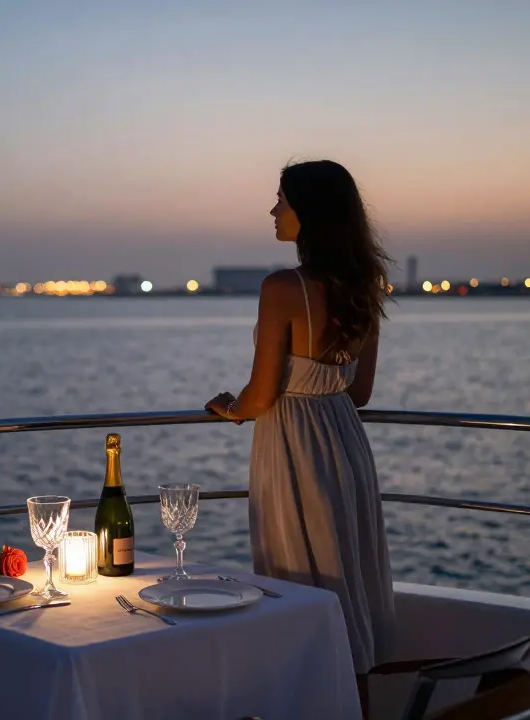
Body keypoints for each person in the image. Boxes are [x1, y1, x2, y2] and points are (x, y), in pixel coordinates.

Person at [205, 159, 395, 718]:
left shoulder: (284, 287)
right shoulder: (363, 285)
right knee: (344, 583)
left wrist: (230, 408)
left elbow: (261, 394)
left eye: (282, 200)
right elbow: (360, 392)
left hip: (296, 449)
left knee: (298, 579)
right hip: (345, 444)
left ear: (310, 212)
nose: (273, 211)